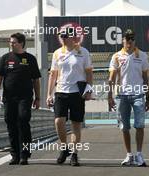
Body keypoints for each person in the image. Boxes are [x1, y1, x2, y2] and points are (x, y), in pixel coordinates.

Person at [0, 33, 41, 165]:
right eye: (10, 42)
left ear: (21, 43)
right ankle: (15, 155)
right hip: (9, 97)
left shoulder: (30, 59)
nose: (10, 44)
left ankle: (25, 153)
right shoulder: (5, 58)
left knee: (23, 120)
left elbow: (36, 79)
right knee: (10, 123)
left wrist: (38, 97)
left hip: (25, 97)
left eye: (13, 42)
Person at [46, 26, 93, 166]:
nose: (63, 38)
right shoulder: (57, 53)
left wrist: (89, 90)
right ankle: (64, 147)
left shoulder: (83, 52)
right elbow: (53, 74)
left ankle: (74, 154)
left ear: (73, 37)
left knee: (76, 124)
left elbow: (89, 73)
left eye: (65, 36)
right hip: (61, 91)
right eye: (61, 36)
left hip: (77, 92)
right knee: (58, 121)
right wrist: (49, 94)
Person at [108, 29, 149, 167]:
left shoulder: (142, 55)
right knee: (124, 126)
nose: (129, 41)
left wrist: (148, 96)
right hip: (121, 95)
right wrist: (110, 96)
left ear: (134, 41)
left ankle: (139, 154)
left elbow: (145, 78)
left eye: (131, 38)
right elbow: (111, 78)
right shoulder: (116, 56)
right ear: (123, 41)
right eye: (127, 39)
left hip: (138, 94)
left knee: (140, 125)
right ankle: (129, 155)